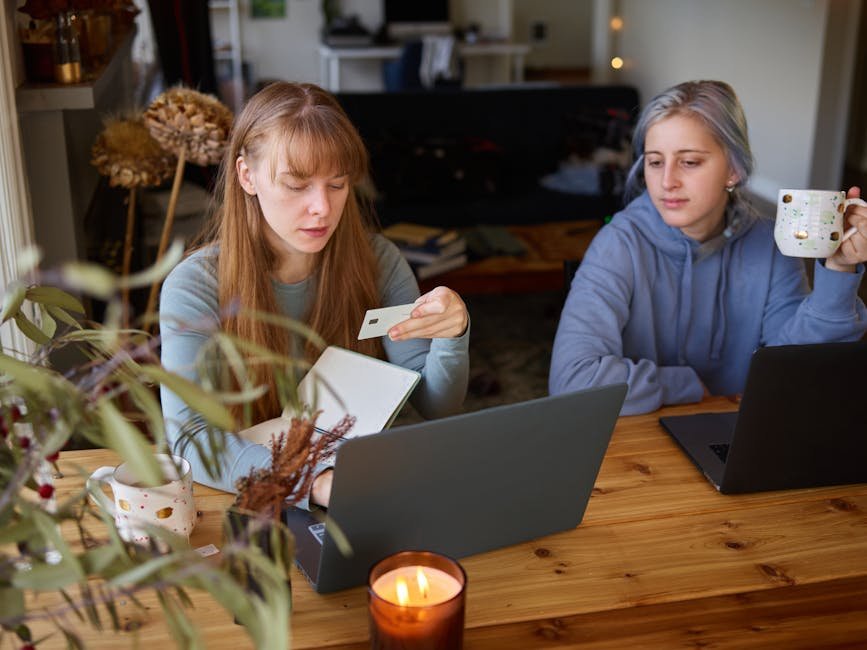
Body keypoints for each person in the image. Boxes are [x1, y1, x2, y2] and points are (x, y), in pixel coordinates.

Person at [159, 81, 470, 506]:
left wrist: (452, 335)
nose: (322, 207)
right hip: (245, 497)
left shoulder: (379, 261)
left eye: (338, 184)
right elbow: (190, 438)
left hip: (362, 486)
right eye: (296, 184)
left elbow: (437, 406)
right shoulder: (195, 285)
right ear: (247, 176)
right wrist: (317, 482)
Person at [549, 80, 867, 415]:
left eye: (689, 162)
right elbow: (572, 381)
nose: (667, 181)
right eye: (655, 162)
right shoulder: (618, 244)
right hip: (638, 444)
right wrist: (683, 386)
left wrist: (839, 268)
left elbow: (797, 370)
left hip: (742, 438)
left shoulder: (770, 246)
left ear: (733, 169)